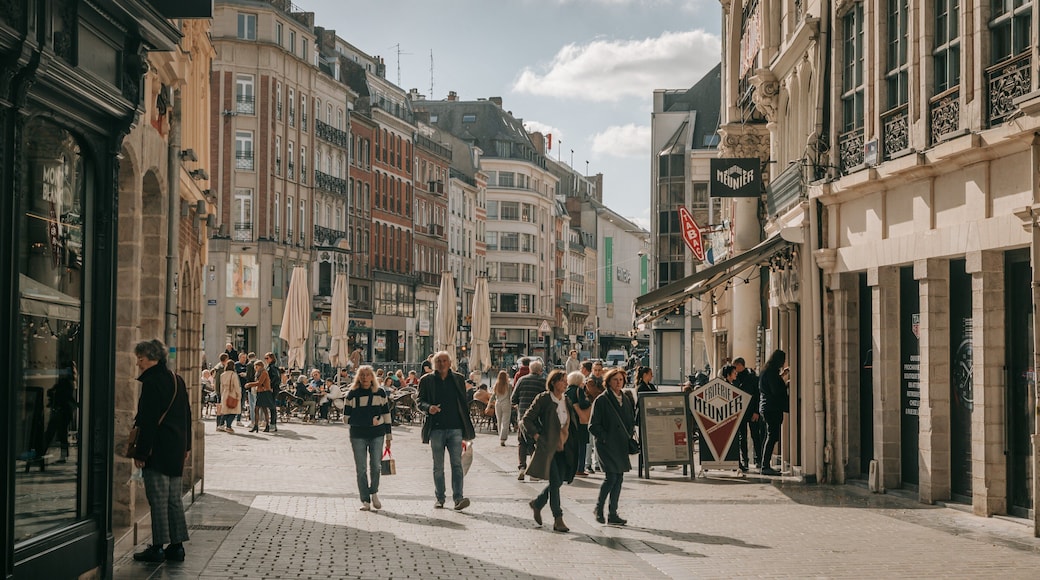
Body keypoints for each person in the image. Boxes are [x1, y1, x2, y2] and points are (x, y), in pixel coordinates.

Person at [130, 339, 192, 563]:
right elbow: (187, 415)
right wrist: (186, 446)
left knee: (157, 499)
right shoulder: (177, 380)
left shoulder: (152, 382)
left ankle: (157, 547)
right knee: (173, 499)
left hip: (157, 449)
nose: (138, 363)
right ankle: (176, 546)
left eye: (141, 358)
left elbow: (147, 421)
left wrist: (141, 453)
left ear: (153, 358)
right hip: (175, 448)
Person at [522, 369, 580, 532]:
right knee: (555, 481)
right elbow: (527, 419)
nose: (565, 383)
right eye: (562, 380)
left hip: (565, 446)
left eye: (566, 381)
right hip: (549, 447)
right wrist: (536, 436)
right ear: (554, 382)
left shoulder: (566, 400)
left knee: (559, 481)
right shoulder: (544, 399)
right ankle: (558, 518)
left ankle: (538, 503)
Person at [417, 351, 476, 510]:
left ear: (450, 363)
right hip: (436, 428)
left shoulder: (458, 379)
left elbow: (463, 403)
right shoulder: (427, 380)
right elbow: (419, 401)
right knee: (438, 466)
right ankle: (440, 498)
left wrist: (465, 426)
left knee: (457, 464)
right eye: (439, 361)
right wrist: (429, 408)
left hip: (455, 428)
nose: (442, 364)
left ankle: (458, 498)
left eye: (444, 361)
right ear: (434, 364)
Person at [588, 367, 635, 526]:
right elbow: (593, 425)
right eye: (615, 380)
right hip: (606, 445)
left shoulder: (626, 399)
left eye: (621, 380)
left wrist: (628, 434)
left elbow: (630, 421)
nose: (618, 383)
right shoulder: (602, 400)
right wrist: (605, 437)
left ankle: (612, 512)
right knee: (611, 477)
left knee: (619, 478)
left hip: (620, 444)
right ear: (608, 382)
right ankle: (599, 508)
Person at [344, 365, 393, 511]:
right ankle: (365, 499)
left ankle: (374, 492)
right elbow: (346, 418)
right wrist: (366, 420)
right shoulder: (352, 394)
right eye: (362, 375)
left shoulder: (380, 393)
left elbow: (386, 415)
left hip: (377, 434)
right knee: (361, 469)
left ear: (372, 377)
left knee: (376, 466)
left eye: (368, 375)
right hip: (358, 435)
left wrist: (389, 436)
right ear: (358, 377)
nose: (365, 378)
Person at [512, 359, 546, 480]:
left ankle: (522, 467)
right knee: (534, 442)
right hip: (537, 417)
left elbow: (513, 399)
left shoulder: (521, 380)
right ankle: (533, 471)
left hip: (522, 416)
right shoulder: (543, 382)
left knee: (522, 442)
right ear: (540, 371)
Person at [759, 350, 789, 476]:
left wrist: (782, 376)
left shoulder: (767, 371)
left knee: (769, 436)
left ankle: (764, 464)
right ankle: (765, 466)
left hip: (767, 407)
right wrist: (786, 385)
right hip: (772, 408)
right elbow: (775, 390)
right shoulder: (771, 373)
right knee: (772, 436)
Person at [733, 357, 762, 471]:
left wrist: (756, 411)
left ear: (740, 365)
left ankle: (758, 458)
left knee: (755, 435)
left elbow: (757, 395)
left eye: (735, 366)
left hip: (750, 410)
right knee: (742, 437)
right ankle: (745, 459)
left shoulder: (751, 377)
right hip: (740, 412)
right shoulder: (735, 378)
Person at [42, 376, 77, 463]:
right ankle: (63, 456)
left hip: (60, 413)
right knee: (61, 435)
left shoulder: (61, 386)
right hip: (64, 413)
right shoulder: (67, 386)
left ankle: (42, 453)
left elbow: (50, 393)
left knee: (51, 434)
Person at [564, 370, 592, 476]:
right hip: (580, 421)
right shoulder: (579, 391)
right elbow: (584, 404)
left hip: (570, 421)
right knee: (582, 445)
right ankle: (580, 468)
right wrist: (588, 402)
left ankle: (571, 467)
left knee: (572, 445)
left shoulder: (567, 390)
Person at [583, 374, 605, 473]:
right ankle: (588, 463)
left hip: (600, 416)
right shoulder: (591, 382)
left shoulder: (602, 382)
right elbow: (595, 393)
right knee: (590, 442)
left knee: (597, 441)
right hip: (590, 416)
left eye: (599, 370)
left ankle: (597, 463)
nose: (598, 372)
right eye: (595, 370)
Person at [245, 358, 274, 433]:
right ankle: (257, 425)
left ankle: (263, 425)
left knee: (260, 409)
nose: (255, 368)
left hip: (264, 392)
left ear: (260, 366)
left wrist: (249, 384)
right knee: (259, 409)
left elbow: (259, 383)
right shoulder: (258, 373)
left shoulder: (264, 372)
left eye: (256, 367)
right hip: (260, 392)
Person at [489, 370, 513, 446]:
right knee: (505, 422)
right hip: (506, 403)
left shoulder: (496, 385)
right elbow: (511, 396)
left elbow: (493, 396)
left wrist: (488, 405)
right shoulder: (509, 385)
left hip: (498, 403)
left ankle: (500, 437)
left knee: (499, 421)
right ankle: (503, 438)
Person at [216, 359, 240, 433]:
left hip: (225, 393)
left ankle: (221, 424)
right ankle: (228, 426)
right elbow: (236, 386)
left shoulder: (222, 375)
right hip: (232, 393)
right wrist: (239, 394)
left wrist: (221, 394)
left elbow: (221, 386)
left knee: (226, 411)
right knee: (234, 411)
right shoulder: (234, 374)